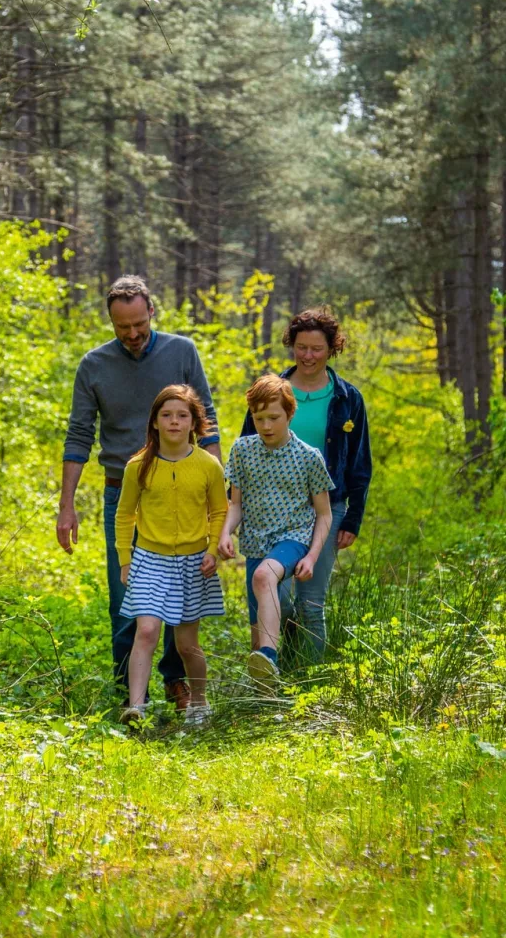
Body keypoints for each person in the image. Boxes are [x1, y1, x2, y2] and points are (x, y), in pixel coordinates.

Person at [59, 275, 221, 709]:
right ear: (111, 321)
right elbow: (79, 435)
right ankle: (128, 696)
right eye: (121, 327)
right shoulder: (94, 365)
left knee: (181, 595)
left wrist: (218, 490)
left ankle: (174, 680)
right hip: (124, 493)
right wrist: (66, 506)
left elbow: (208, 419)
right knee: (128, 597)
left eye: (138, 325)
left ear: (152, 310)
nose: (131, 335)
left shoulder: (181, 351)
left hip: (185, 490)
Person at [237, 307, 372, 664]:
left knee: (312, 602)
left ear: (331, 349)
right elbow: (245, 452)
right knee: (272, 594)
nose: (308, 356)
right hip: (272, 511)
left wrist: (352, 519)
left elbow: (360, 464)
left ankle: (308, 683)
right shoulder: (271, 392)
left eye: (316, 348)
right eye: (301, 347)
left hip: (329, 508)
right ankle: (271, 670)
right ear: (291, 346)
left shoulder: (348, 398)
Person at [113, 385, 226, 726]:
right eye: (166, 415)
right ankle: (137, 707)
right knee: (146, 630)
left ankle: (200, 703)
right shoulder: (138, 466)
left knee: (186, 643)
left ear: (194, 423)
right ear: (155, 422)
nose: (174, 422)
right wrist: (124, 558)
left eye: (182, 415)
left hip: (193, 563)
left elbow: (219, 511)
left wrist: (211, 550)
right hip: (149, 558)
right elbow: (124, 514)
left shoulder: (208, 466)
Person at [219, 374, 334, 687]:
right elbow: (236, 504)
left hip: (293, 539)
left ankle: (271, 655)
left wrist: (311, 556)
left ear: (290, 414)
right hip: (255, 542)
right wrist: (225, 533)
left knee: (263, 577)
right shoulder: (242, 451)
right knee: (258, 627)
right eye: (259, 419)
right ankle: (266, 697)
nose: (266, 426)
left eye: (274, 418)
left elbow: (324, 514)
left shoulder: (309, 458)